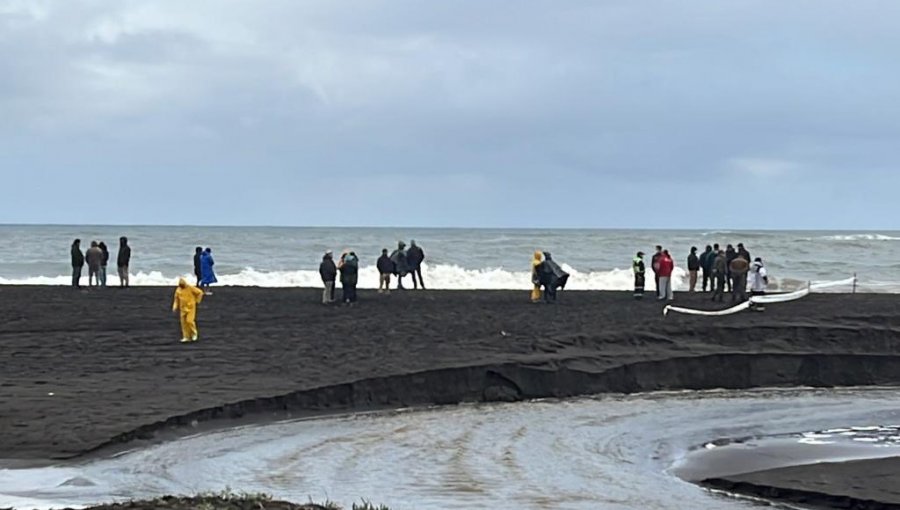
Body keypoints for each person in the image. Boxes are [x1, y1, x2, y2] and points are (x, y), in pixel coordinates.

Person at [172, 277, 204, 343]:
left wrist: (197, 301)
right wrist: (175, 306)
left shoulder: (190, 288)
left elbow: (200, 292)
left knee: (189, 321)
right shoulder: (178, 290)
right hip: (182, 308)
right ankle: (186, 336)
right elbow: (176, 299)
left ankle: (194, 334)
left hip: (191, 307)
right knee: (184, 323)